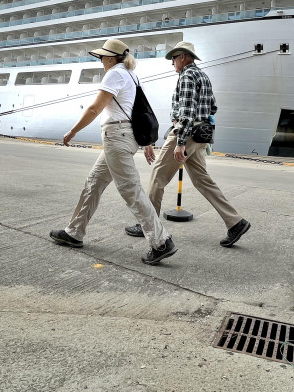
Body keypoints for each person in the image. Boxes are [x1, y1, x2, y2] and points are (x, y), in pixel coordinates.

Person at [50, 38, 177, 265]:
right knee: (94, 183)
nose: (100, 61)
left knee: (131, 190)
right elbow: (140, 112)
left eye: (102, 57)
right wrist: (147, 142)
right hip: (124, 137)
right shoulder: (131, 75)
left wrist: (72, 131)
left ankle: (161, 242)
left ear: (111, 57)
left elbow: (95, 107)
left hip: (116, 138)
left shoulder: (115, 74)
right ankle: (74, 232)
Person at [125, 41, 250, 248]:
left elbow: (187, 112)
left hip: (186, 134)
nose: (173, 63)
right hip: (201, 135)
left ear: (183, 57)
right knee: (203, 181)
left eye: (174, 58)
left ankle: (148, 224)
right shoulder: (203, 76)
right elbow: (213, 107)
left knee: (158, 176)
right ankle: (236, 222)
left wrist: (180, 142)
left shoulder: (187, 76)